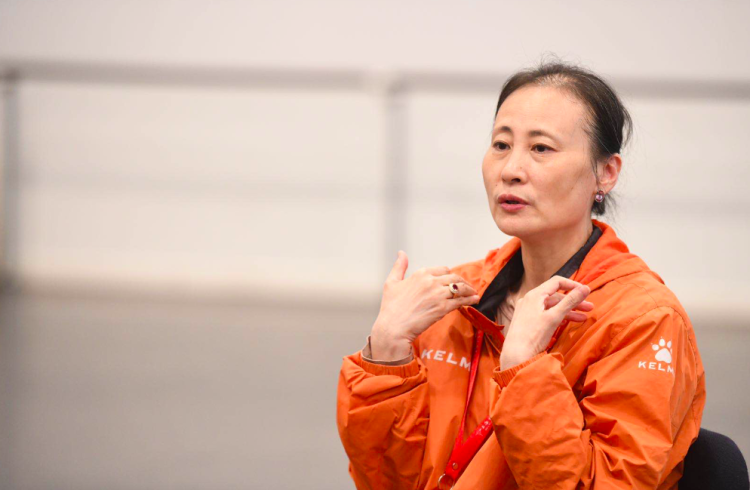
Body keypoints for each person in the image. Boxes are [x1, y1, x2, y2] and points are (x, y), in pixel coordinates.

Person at [336, 61, 706, 489]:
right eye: (500, 144)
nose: (510, 169)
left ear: (605, 173)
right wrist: (386, 356)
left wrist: (525, 371)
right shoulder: (453, 299)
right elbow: (387, 481)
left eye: (541, 149)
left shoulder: (642, 320)